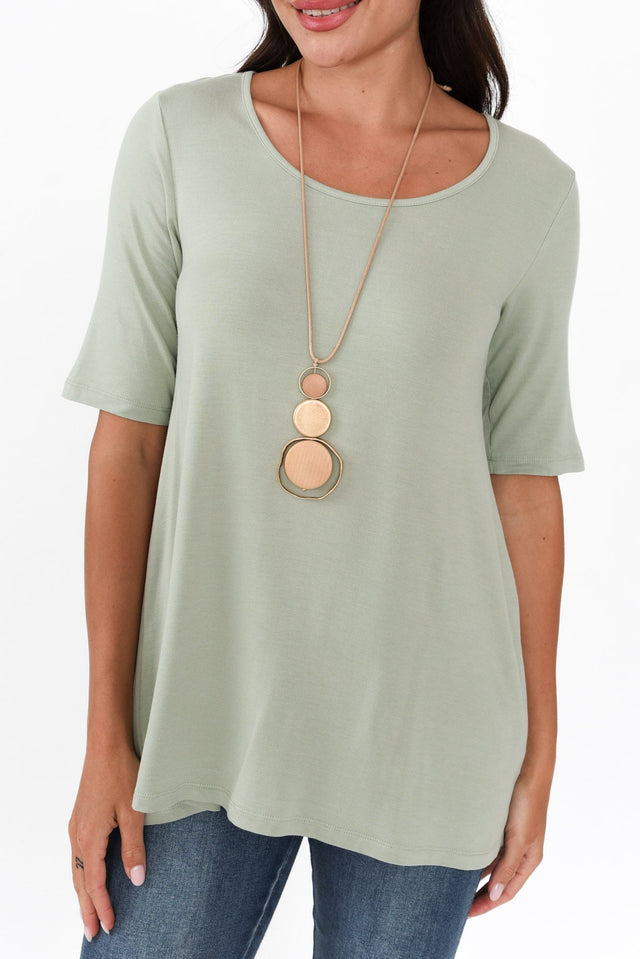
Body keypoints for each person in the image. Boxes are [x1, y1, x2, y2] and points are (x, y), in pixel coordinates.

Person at [62, 1, 585, 956]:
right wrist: (104, 732)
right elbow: (128, 442)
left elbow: (522, 479)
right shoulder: (181, 138)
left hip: (429, 725)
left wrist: (540, 752)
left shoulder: (531, 193)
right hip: (199, 710)